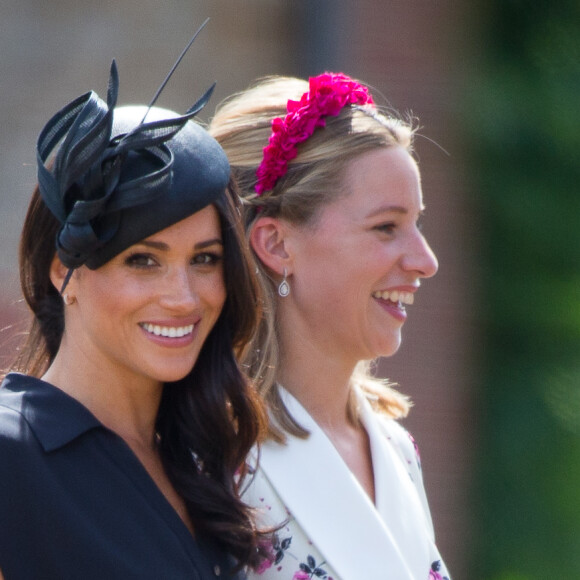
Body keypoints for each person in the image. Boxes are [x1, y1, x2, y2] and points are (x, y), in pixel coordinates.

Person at [0, 60, 267, 579]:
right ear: (63, 271)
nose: (183, 297)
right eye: (143, 260)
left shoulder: (205, 463)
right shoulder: (10, 454)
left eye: (205, 259)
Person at [209, 73, 451, 579]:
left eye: (417, 224)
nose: (426, 260)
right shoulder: (209, 454)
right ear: (276, 245)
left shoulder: (395, 450)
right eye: (386, 226)